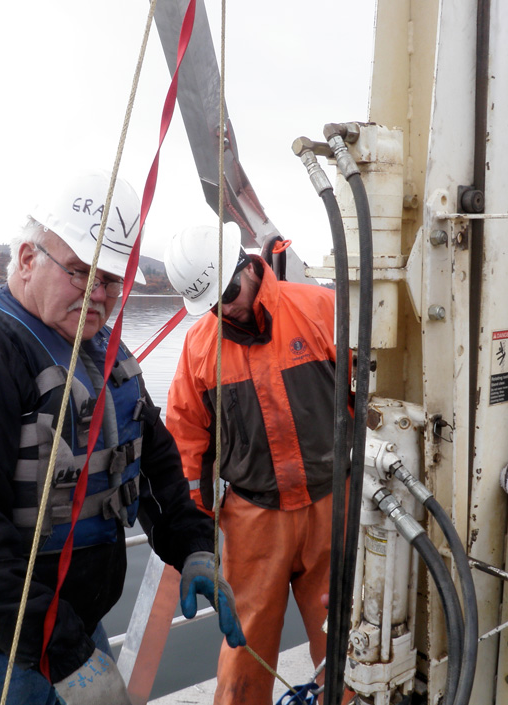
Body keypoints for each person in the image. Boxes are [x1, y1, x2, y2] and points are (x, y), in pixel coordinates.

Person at [0, 171, 244, 705]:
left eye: (113, 280)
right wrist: (65, 652)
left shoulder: (98, 350)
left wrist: (191, 545)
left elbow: (154, 457)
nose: (99, 295)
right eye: (80, 272)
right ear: (27, 259)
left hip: (63, 628)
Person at [164, 224, 350, 704]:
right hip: (253, 523)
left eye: (227, 292)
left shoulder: (319, 309)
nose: (225, 308)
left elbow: (370, 395)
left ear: (248, 265)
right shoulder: (200, 349)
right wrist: (196, 538)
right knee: (243, 654)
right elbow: (186, 443)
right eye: (211, 302)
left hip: (332, 508)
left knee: (347, 647)